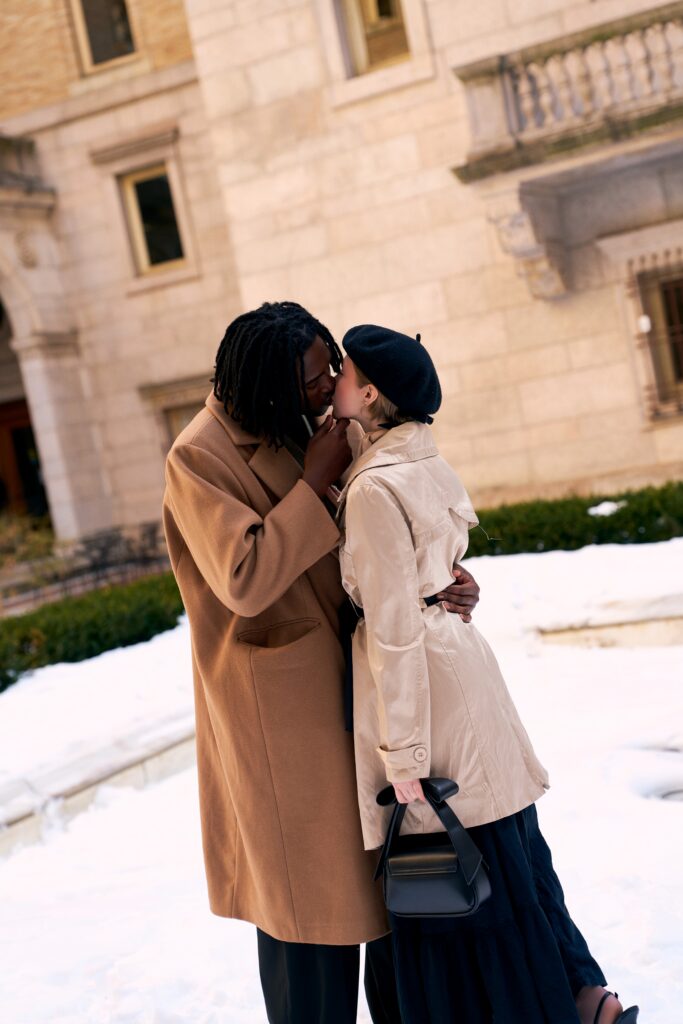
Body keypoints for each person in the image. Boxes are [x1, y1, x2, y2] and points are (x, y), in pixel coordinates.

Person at [162, 301, 482, 1024]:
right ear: (269, 384)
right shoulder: (198, 457)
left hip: (360, 694)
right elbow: (243, 577)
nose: (331, 383)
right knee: (309, 922)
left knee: (391, 907)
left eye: (332, 364)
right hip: (283, 723)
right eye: (314, 377)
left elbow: (376, 530)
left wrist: (440, 584)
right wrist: (313, 481)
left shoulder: (310, 423)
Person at [332, 323, 639, 1024]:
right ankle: (583, 997)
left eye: (344, 372)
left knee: (460, 868)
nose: (335, 385)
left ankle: (550, 1006)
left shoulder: (375, 488)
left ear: (371, 389)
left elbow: (392, 629)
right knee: (508, 850)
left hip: (430, 694)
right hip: (463, 670)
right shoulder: (421, 457)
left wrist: (403, 754)